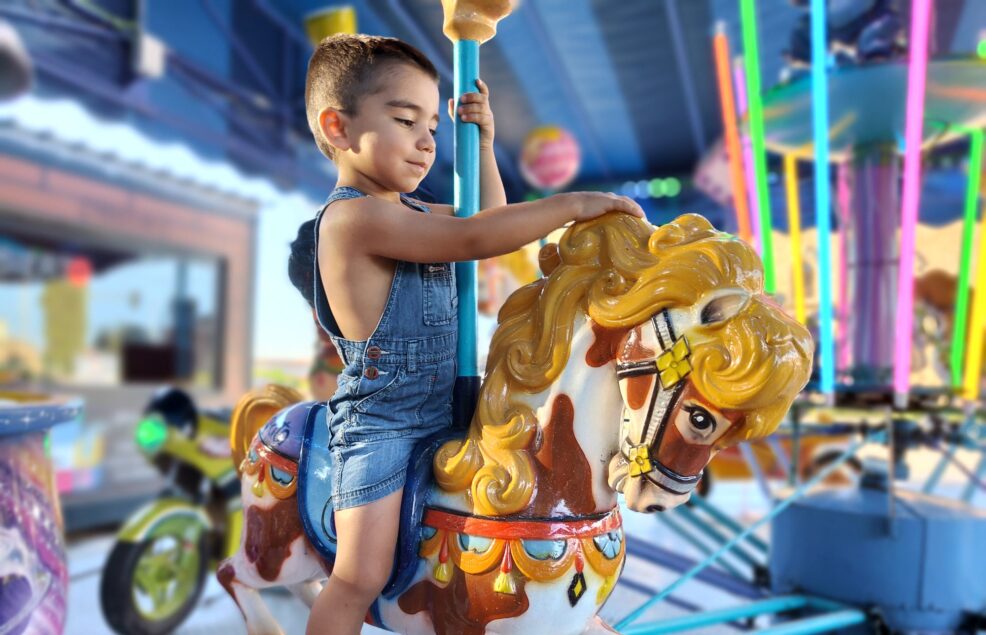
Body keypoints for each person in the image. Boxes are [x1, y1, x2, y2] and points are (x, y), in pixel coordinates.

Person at [288, 33, 644, 635]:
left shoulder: (416, 214)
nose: (428, 140)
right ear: (339, 127)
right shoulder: (352, 219)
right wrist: (575, 203)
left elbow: (488, 219)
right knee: (360, 574)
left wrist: (479, 142)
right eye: (405, 120)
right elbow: (477, 239)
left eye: (433, 124)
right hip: (385, 420)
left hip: (460, 401)